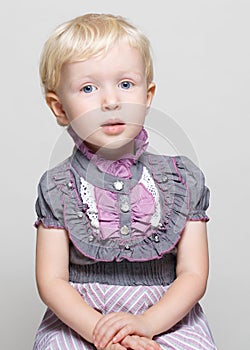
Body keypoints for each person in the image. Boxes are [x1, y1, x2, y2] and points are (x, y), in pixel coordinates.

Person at [33, 13, 217, 350]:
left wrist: (147, 324)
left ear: (147, 96)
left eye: (126, 84)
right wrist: (100, 332)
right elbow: (51, 280)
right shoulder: (58, 186)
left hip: (166, 316)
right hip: (82, 318)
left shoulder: (181, 180)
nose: (111, 101)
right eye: (88, 87)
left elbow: (193, 273)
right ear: (59, 108)